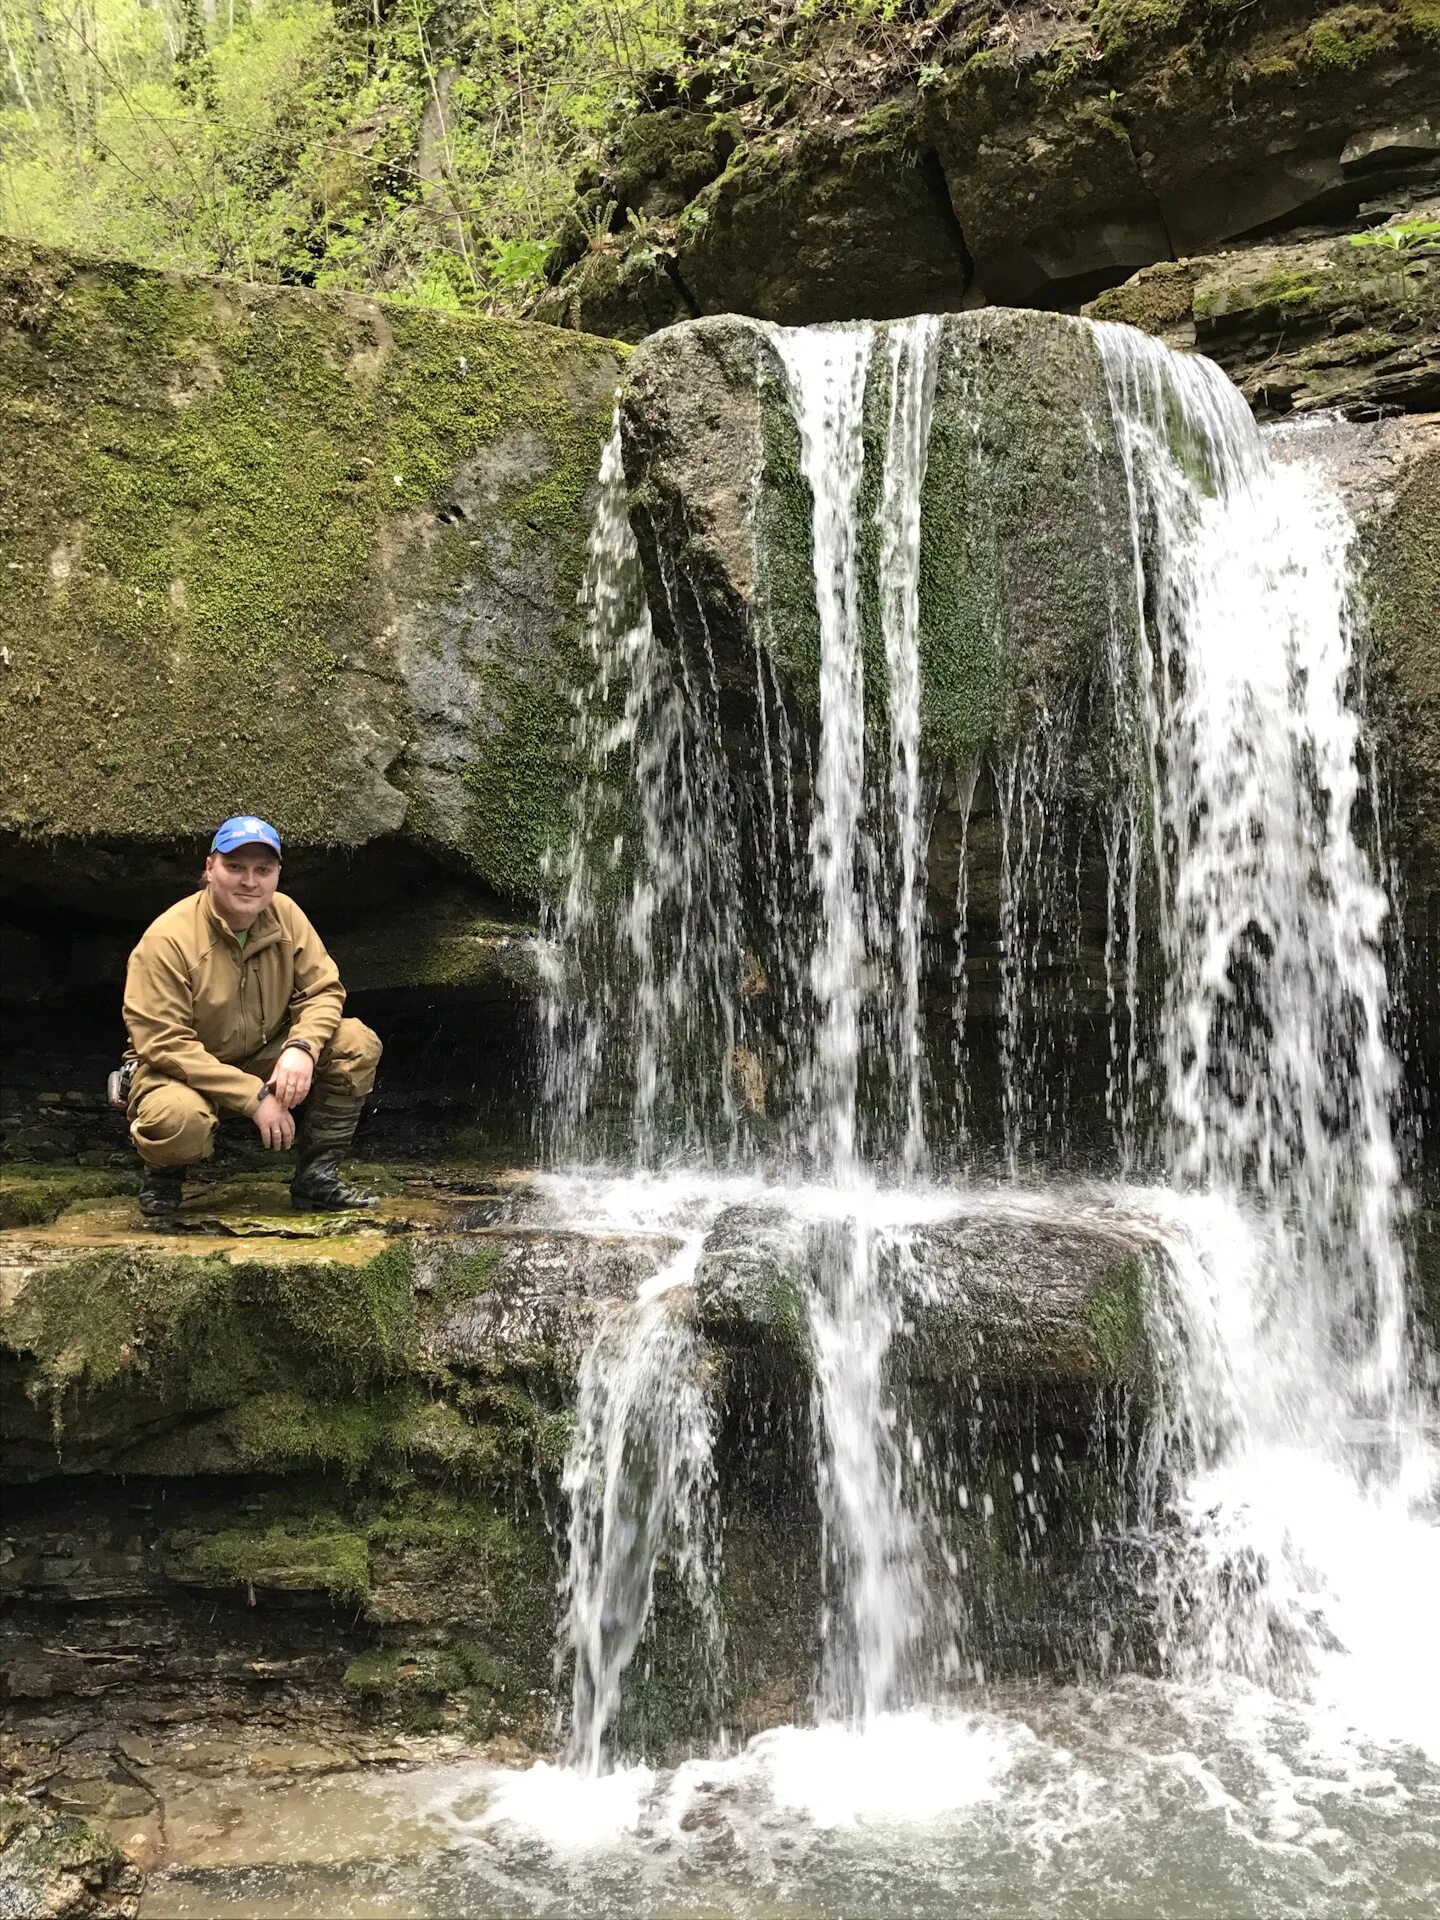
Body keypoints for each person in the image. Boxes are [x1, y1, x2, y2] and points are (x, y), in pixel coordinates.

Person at [123, 815, 382, 1220]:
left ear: (278, 873)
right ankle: (163, 1175)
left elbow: (324, 990)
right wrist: (254, 1097)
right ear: (209, 869)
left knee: (356, 1042)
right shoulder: (166, 939)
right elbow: (163, 1043)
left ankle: (317, 1178)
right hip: (180, 1071)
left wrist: (302, 1048)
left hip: (263, 1054)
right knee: (178, 1118)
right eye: (235, 867)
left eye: (263, 869)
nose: (250, 881)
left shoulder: (286, 915)